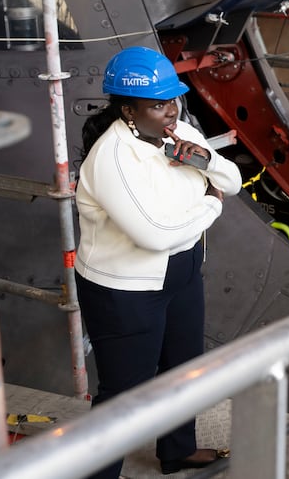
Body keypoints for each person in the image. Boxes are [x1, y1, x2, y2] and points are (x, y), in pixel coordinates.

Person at [75, 46, 242, 478]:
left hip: (182, 271)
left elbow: (234, 181)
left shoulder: (181, 133)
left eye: (173, 99)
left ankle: (177, 450)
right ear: (128, 109)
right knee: (123, 391)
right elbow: (155, 235)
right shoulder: (112, 157)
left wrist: (202, 160)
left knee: (182, 366)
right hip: (125, 288)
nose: (170, 111)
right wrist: (210, 204)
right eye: (157, 105)